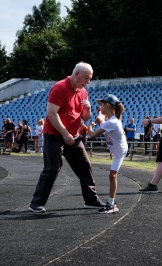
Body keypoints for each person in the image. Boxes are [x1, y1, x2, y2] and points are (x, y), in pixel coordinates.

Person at [29, 62, 104, 213]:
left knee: (85, 165)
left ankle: (91, 200)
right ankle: (36, 203)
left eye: (90, 79)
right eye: (86, 78)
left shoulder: (83, 91)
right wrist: (64, 133)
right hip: (55, 135)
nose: (88, 82)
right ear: (76, 74)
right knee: (52, 168)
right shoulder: (60, 87)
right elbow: (51, 113)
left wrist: (88, 109)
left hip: (74, 136)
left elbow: (85, 117)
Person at [88, 94, 127, 213]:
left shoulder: (112, 122)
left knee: (112, 175)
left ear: (108, 105)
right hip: (119, 149)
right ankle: (111, 202)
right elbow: (102, 121)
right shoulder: (111, 120)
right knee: (112, 175)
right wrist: (100, 115)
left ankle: (111, 204)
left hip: (120, 151)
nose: (99, 107)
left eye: (102, 104)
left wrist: (88, 126)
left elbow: (93, 135)